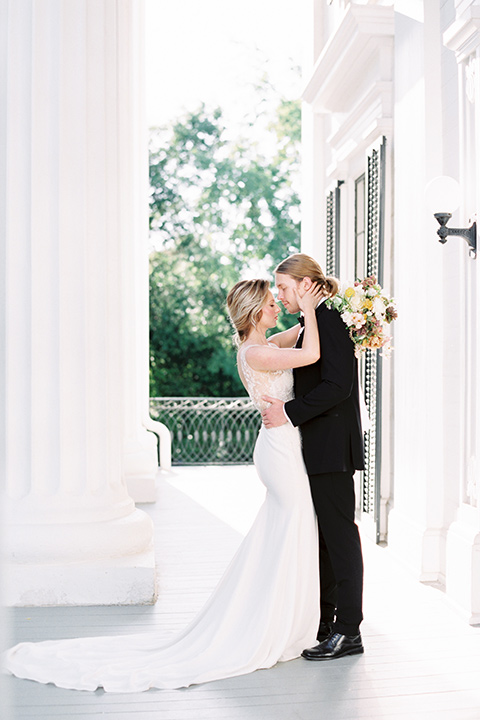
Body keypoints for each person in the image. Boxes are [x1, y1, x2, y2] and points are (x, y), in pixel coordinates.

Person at [3, 278, 324, 692]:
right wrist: (312, 311)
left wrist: (330, 306)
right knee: (293, 526)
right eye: (270, 302)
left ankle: (281, 617)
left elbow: (299, 334)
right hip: (279, 451)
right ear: (254, 312)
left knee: (284, 531)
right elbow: (312, 351)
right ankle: (276, 624)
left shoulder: (264, 343)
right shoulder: (259, 352)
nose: (277, 306)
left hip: (281, 445)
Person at [262, 253, 365, 661]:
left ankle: (349, 631)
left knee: (339, 540)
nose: (280, 295)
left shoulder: (330, 321)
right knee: (323, 540)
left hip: (331, 449)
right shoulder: (312, 321)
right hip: (315, 447)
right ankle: (325, 623)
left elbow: (339, 385)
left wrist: (287, 412)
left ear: (305, 285)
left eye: (284, 287)